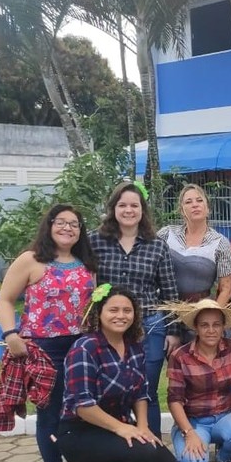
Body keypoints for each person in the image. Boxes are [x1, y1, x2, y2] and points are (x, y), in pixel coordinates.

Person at [0, 204, 97, 462]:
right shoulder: (31, 260)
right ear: (49, 225)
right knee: (50, 413)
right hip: (44, 348)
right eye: (61, 222)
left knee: (82, 410)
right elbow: (4, 300)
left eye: (74, 224)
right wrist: (10, 334)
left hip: (81, 345)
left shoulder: (86, 263)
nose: (68, 228)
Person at [57, 286, 178, 462]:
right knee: (143, 453)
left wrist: (142, 427)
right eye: (113, 310)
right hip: (79, 432)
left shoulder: (134, 346)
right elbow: (82, 405)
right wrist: (123, 428)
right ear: (99, 313)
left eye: (127, 310)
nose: (121, 316)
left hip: (117, 427)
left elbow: (141, 393)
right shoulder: (84, 348)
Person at [89, 182, 180, 437]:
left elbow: (170, 291)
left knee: (146, 390)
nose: (129, 210)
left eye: (134, 205)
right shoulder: (95, 241)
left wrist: (173, 331)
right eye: (123, 205)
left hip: (149, 326)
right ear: (113, 208)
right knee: (110, 390)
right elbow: (86, 284)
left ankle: (149, 449)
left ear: (142, 210)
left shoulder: (157, 245)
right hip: (109, 329)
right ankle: (115, 447)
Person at [164, 299, 231, 462]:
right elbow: (174, 399)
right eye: (204, 325)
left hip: (225, 414)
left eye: (216, 325)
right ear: (195, 328)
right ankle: (192, 447)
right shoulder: (180, 356)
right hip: (194, 420)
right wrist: (189, 432)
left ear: (223, 327)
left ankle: (224, 458)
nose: (211, 330)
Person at [157, 184, 231, 305]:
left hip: (201, 309)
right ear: (182, 210)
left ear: (208, 208)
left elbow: (226, 289)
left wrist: (213, 315)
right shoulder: (166, 234)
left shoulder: (220, 243)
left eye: (199, 200)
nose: (195, 205)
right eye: (188, 202)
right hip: (165, 307)